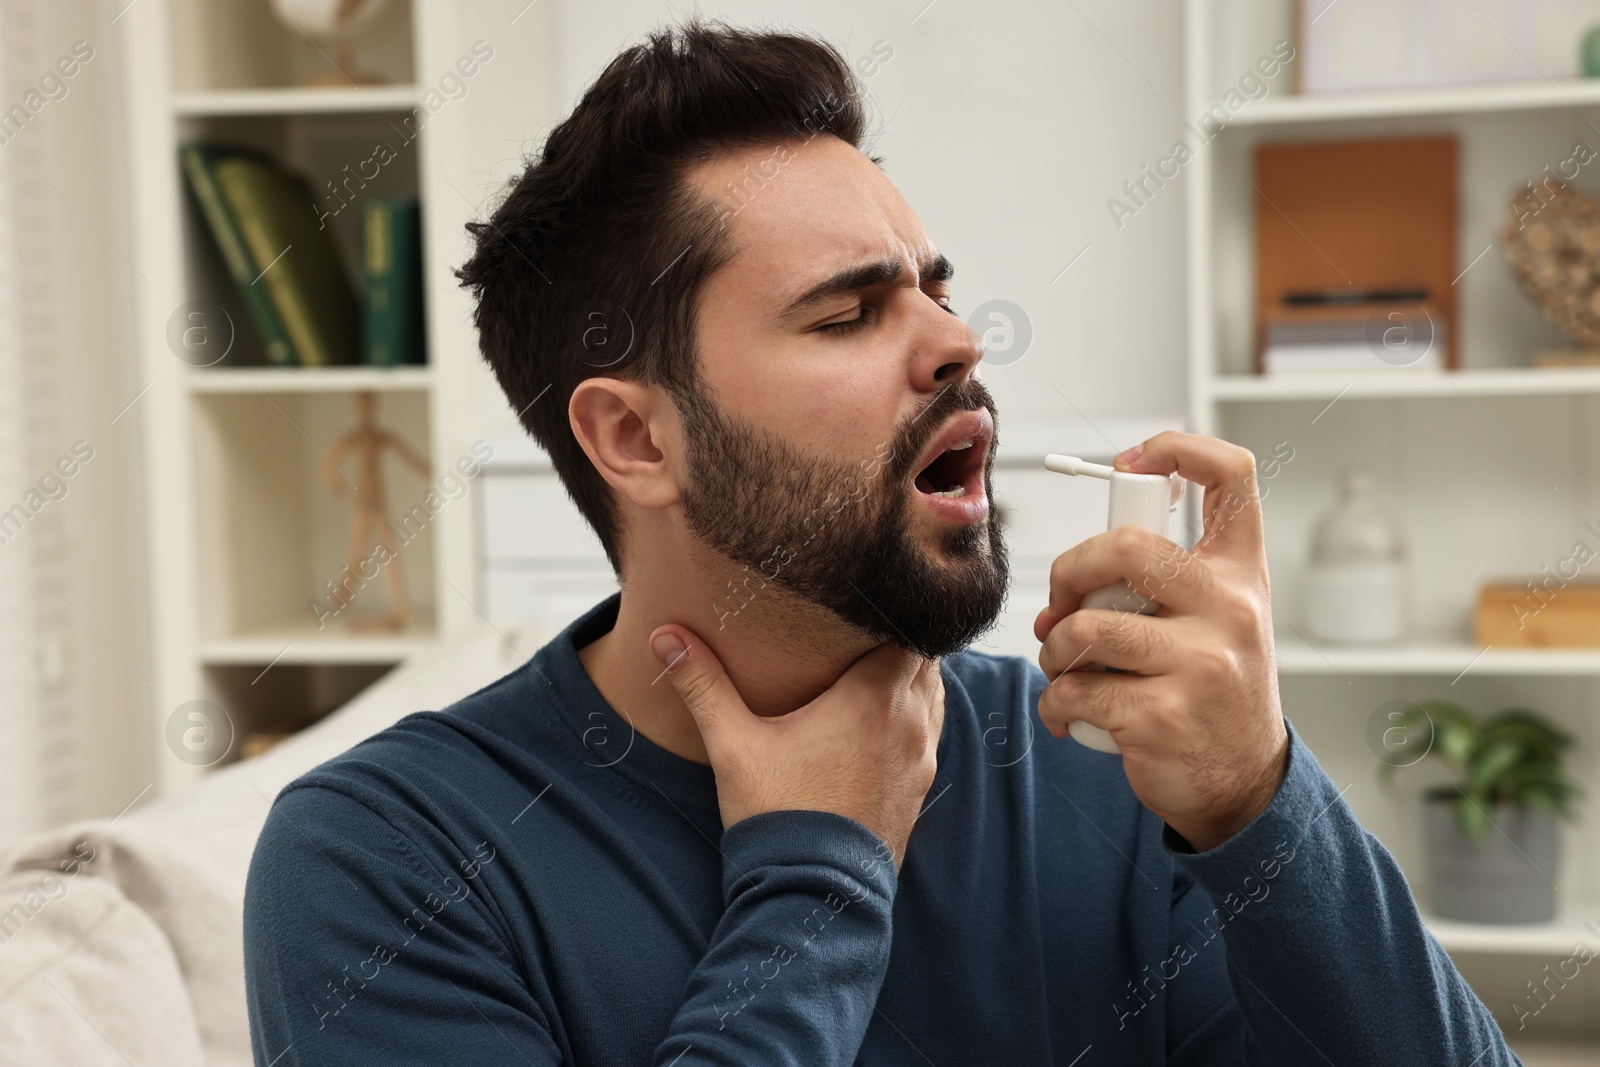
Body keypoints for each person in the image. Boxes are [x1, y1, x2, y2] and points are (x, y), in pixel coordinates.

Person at [243, 20, 1522, 1066]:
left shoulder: (1104, 770)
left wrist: (1260, 797)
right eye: (848, 312)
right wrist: (819, 875)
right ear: (634, 438)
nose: (958, 341)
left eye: (935, 287)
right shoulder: (380, 861)